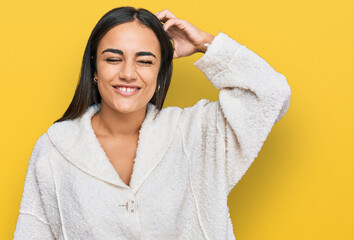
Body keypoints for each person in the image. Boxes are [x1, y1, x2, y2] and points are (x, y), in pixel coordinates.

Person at [13, 6, 291, 240]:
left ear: (160, 75)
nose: (128, 73)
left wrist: (205, 44)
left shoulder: (196, 133)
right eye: (113, 59)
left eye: (145, 61)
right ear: (94, 69)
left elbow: (270, 93)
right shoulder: (55, 149)